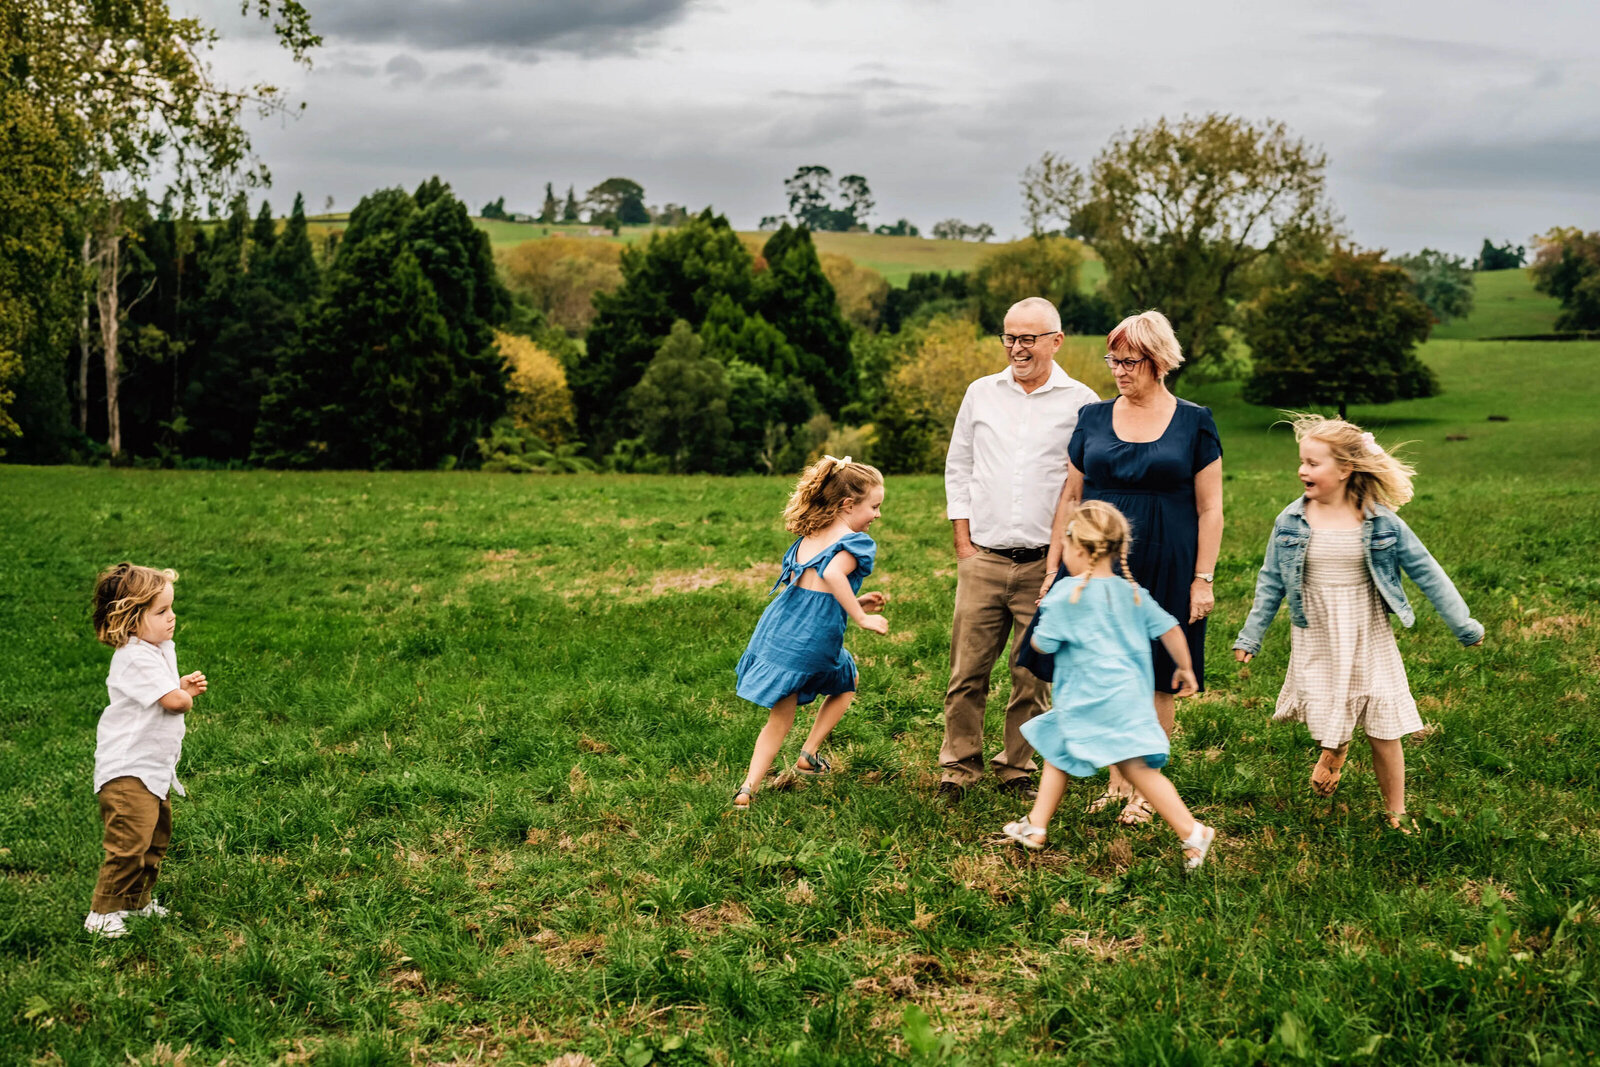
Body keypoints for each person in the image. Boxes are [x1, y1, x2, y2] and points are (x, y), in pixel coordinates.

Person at [1233, 415, 1483, 831]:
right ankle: (1334, 748)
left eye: (1313, 463)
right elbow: (1271, 580)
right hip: (1317, 633)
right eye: (1302, 461)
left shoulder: (1382, 522)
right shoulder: (1291, 522)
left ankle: (1397, 812)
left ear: (1345, 469)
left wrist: (1464, 625)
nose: (1302, 470)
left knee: (1384, 724)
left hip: (1367, 631)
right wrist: (1251, 635)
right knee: (1329, 708)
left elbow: (1427, 572)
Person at [1028, 310, 1223, 826]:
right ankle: (1117, 785)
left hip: (1167, 558)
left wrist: (1202, 578)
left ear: (1158, 361)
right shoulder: (1092, 417)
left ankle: (1141, 793)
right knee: (1098, 666)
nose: (1118, 370)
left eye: (1129, 361)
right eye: (1113, 360)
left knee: (1156, 674)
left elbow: (1211, 508)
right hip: (1092, 561)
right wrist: (1052, 569)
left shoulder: (1194, 420)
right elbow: (1071, 495)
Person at [941, 297, 1100, 799]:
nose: (1017, 347)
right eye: (1009, 337)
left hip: (1045, 564)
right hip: (983, 557)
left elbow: (1088, 482)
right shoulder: (980, 393)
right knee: (967, 672)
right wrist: (963, 541)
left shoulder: (1083, 402)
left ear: (1056, 340)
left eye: (1028, 338)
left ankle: (1016, 768)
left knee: (1031, 675)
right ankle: (958, 768)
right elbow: (959, 466)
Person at [1000, 501, 1216, 869]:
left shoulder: (1067, 595)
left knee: (1130, 768)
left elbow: (1043, 643)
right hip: (1126, 699)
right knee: (1062, 751)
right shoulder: (1132, 593)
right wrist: (1184, 667)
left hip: (1086, 699)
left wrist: (1044, 638)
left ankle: (1192, 829)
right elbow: (1170, 627)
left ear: (1079, 549)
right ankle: (1036, 825)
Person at [733, 456, 888, 809]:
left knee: (779, 717)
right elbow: (832, 576)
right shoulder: (855, 542)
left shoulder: (810, 535)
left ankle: (747, 788)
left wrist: (856, 602)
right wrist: (861, 619)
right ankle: (809, 752)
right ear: (848, 505)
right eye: (874, 507)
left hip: (778, 631)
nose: (877, 515)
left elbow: (807, 587)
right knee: (847, 682)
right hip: (814, 639)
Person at [84, 563, 208, 938]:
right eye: (161, 612)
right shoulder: (133, 657)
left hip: (152, 769)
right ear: (130, 620)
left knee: (155, 838)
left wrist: (178, 684)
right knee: (128, 842)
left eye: (171, 608)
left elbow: (162, 692)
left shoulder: (155, 649)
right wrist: (182, 694)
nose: (172, 618)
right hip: (127, 771)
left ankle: (136, 902)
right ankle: (102, 912)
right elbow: (173, 703)